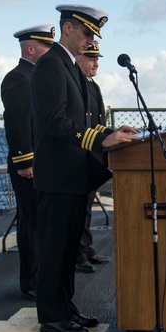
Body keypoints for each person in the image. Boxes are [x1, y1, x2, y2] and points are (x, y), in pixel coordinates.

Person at [30, 5, 139, 332]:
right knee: (55, 251)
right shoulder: (51, 65)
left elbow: (85, 120)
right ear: (67, 28)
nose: (91, 40)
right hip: (59, 177)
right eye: (87, 32)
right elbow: (55, 122)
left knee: (67, 251)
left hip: (74, 176)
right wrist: (103, 139)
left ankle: (66, 308)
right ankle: (52, 316)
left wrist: (111, 132)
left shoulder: (68, 67)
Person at [1, 24, 56, 300]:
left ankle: (42, 276)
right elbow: (17, 122)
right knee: (31, 222)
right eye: (46, 46)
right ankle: (31, 281)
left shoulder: (35, 77)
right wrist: (24, 160)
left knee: (42, 222)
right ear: (31, 48)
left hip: (42, 162)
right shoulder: (18, 79)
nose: (51, 51)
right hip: (29, 164)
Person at [75, 41, 111, 274]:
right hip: (79, 154)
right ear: (78, 60)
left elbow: (97, 123)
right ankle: (78, 255)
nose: (96, 62)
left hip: (92, 153)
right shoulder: (78, 85)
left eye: (97, 58)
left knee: (87, 207)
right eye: (91, 58)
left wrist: (112, 134)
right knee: (78, 209)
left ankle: (85, 249)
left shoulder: (92, 85)